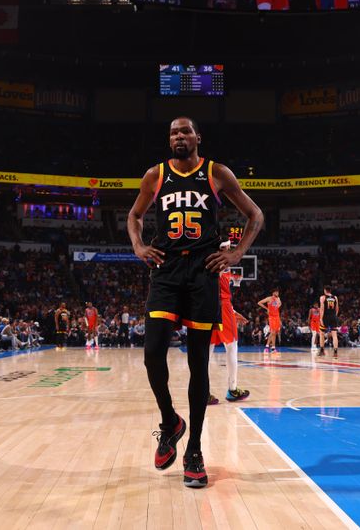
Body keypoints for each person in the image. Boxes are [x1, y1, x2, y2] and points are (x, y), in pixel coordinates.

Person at [127, 116, 263, 488]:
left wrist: (236, 253)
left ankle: (195, 451)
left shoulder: (217, 173)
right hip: (167, 271)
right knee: (152, 352)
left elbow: (255, 214)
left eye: (185, 131)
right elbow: (135, 215)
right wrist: (138, 246)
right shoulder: (154, 176)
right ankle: (170, 421)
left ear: (198, 137)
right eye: (173, 132)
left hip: (203, 273)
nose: (179, 136)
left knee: (198, 363)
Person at [208, 260, 250, 405]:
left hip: (206, 307)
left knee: (206, 352)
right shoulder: (221, 260)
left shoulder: (204, 259)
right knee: (231, 347)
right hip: (223, 307)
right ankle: (232, 389)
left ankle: (202, 392)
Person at [258, 290, 282, 355]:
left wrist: (278, 305)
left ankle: (270, 347)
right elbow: (259, 303)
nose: (277, 293)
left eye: (278, 292)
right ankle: (269, 347)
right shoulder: (269, 298)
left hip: (277, 317)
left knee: (274, 333)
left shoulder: (278, 298)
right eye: (276, 292)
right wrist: (267, 308)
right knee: (273, 332)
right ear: (273, 293)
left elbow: (279, 304)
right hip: (272, 317)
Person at [320, 286, 340, 358]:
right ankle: (335, 352)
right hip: (333, 317)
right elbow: (337, 309)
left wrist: (321, 319)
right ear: (330, 291)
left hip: (325, 317)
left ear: (325, 290)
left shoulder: (323, 297)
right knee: (334, 335)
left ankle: (322, 351)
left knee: (322, 333)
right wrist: (334, 316)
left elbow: (322, 309)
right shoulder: (335, 297)